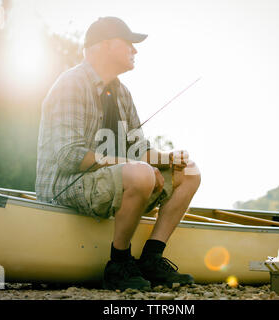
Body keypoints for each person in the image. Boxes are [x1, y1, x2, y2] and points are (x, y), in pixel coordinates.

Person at [36, 17, 201, 291]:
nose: (135, 51)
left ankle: (151, 259)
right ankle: (119, 263)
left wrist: (168, 159)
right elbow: (68, 157)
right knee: (140, 173)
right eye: (129, 44)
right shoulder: (71, 84)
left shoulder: (122, 93)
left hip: (112, 180)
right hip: (65, 187)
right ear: (105, 45)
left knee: (190, 171)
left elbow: (139, 150)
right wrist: (137, 166)